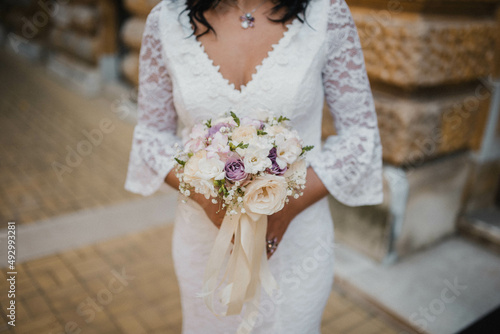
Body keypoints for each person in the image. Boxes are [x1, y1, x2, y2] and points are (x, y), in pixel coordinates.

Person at [124, 0, 383, 332]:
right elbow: (151, 136)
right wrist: (207, 199)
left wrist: (288, 205)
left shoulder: (327, 12)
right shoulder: (166, 19)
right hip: (206, 238)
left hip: (295, 241)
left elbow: (360, 134)